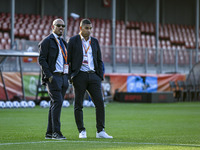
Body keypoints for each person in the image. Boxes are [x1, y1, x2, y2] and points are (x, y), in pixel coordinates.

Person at [67, 18, 113, 139]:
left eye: (90, 28)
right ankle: (81, 130)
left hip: (93, 76)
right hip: (79, 75)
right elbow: (68, 60)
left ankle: (100, 131)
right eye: (87, 28)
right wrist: (71, 76)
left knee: (100, 103)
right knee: (78, 104)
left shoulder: (95, 41)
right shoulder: (73, 41)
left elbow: (99, 59)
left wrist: (99, 76)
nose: (89, 30)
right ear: (81, 28)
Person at [38, 18, 69, 140]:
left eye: (63, 26)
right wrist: (49, 76)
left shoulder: (63, 42)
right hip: (54, 76)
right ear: (53, 27)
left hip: (63, 76)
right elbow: (41, 60)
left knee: (54, 104)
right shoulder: (46, 41)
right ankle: (56, 132)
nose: (61, 28)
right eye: (58, 25)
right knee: (57, 102)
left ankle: (49, 133)